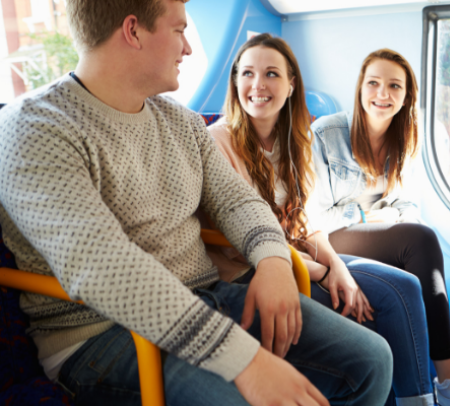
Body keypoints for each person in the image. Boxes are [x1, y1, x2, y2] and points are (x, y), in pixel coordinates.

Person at [0, 1, 394, 405]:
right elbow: (103, 268)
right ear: (133, 32)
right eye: (178, 30)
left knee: (371, 360)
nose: (187, 48)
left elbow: (239, 202)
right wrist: (246, 362)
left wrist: (273, 260)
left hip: (206, 297)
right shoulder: (35, 129)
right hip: (101, 335)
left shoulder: (181, 122)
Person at [203, 33, 435, 406]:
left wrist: (338, 270)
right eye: (247, 74)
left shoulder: (293, 143)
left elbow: (304, 222)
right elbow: (241, 239)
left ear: (292, 84)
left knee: (400, 292)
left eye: (272, 74)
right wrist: (323, 274)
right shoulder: (218, 141)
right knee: (374, 327)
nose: (258, 85)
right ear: (235, 83)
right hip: (253, 274)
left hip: (300, 261)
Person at [309, 49, 450, 406]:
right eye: (373, 83)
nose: (382, 94)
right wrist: (369, 218)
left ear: (406, 97)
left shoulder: (408, 138)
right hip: (326, 238)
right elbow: (315, 215)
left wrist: (385, 221)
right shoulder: (327, 134)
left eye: (394, 86)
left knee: (417, 244)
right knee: (420, 238)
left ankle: (434, 386)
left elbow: (406, 205)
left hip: (368, 233)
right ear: (360, 88)